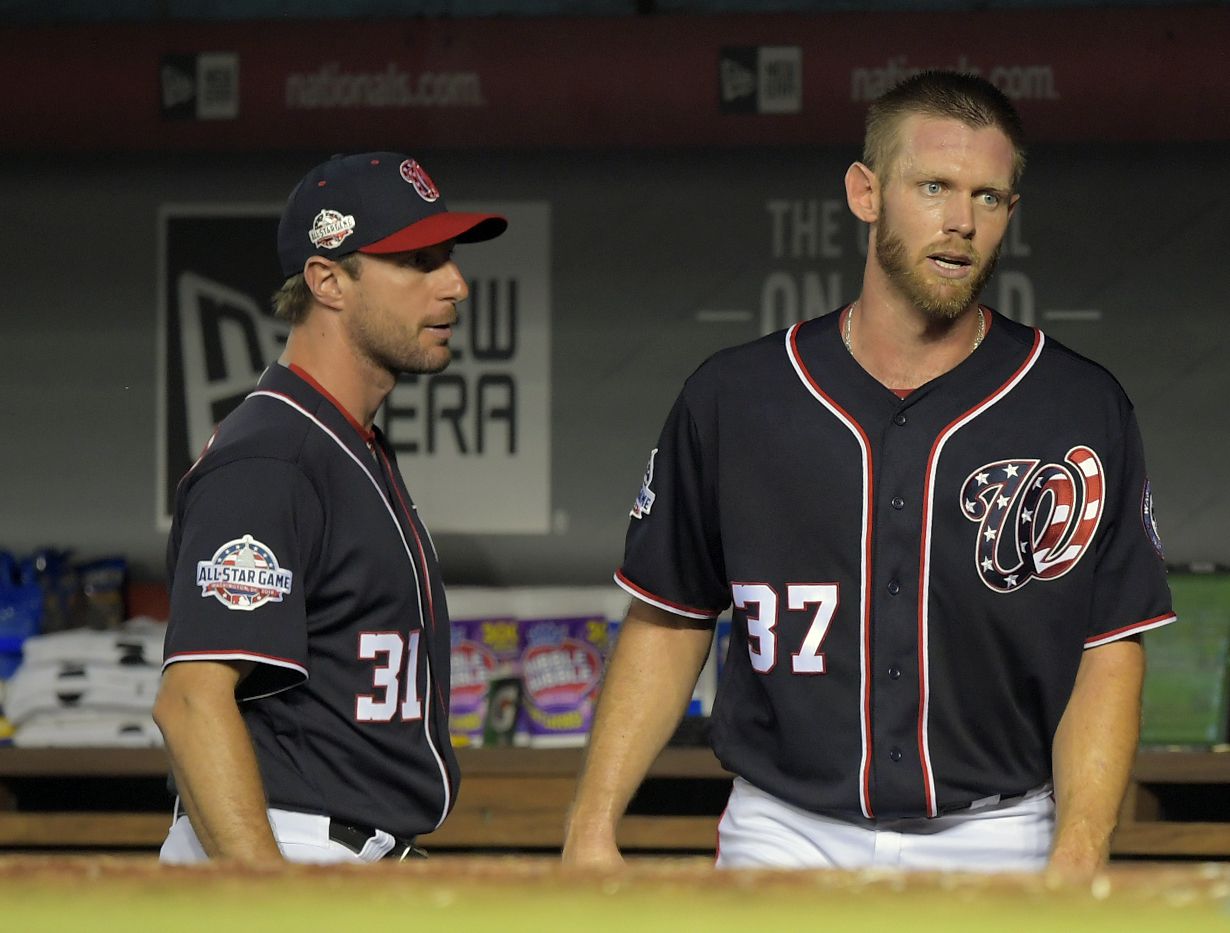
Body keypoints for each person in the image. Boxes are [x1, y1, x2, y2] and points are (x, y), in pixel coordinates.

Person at [562, 72, 1175, 876]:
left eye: (989, 198)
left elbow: (1108, 646)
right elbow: (671, 617)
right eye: (934, 187)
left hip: (1001, 833)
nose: (961, 222)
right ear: (865, 193)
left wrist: (1082, 846)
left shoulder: (1077, 404)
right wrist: (591, 824)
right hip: (785, 829)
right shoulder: (735, 396)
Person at [154, 152, 507, 864]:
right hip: (284, 845)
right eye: (418, 260)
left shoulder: (341, 442)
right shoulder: (271, 458)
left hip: (344, 850)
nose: (456, 285)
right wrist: (270, 896)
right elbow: (191, 701)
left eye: (450, 257)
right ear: (327, 280)